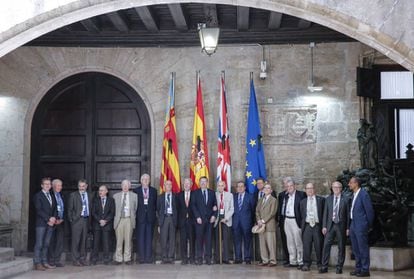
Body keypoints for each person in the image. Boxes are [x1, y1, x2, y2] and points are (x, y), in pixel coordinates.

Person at [320, 181, 350, 274]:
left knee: (341, 247)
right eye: (334, 187)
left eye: (338, 187)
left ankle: (339, 267)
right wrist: (324, 226)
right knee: (326, 246)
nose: (336, 189)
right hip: (330, 225)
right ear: (332, 188)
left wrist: (348, 228)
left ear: (341, 189)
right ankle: (324, 266)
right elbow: (325, 213)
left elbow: (348, 215)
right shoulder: (328, 199)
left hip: (341, 226)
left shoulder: (346, 199)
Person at [349, 177, 374, 277]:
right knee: (355, 248)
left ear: (356, 184)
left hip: (361, 225)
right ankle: (358, 268)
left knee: (363, 247)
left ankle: (365, 269)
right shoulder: (354, 194)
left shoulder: (364, 194)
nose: (349, 184)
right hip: (353, 224)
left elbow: (369, 211)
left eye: (351, 183)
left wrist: (368, 224)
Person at [191, 176, 217, 265]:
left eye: (204, 181)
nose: (203, 183)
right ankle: (199, 258)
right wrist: (197, 217)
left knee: (209, 240)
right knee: (199, 240)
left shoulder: (212, 193)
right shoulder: (195, 193)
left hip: (209, 221)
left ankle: (208, 258)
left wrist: (214, 216)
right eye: (201, 181)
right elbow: (193, 206)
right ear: (199, 183)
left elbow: (215, 206)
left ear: (207, 183)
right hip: (199, 221)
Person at [33, 177, 57, 271]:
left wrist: (54, 218)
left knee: (46, 243)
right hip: (41, 224)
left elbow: (55, 208)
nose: (48, 185)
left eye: (49, 184)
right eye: (46, 184)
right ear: (42, 185)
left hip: (50, 224)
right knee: (39, 243)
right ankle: (37, 263)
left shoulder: (52, 195)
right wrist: (48, 219)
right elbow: (39, 210)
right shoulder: (38, 196)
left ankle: (44, 262)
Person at [299, 183, 325, 271]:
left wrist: (324, 226)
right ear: (305, 190)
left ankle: (320, 264)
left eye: (311, 188)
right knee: (306, 246)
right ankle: (306, 263)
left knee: (319, 246)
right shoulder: (302, 202)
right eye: (308, 188)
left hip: (317, 226)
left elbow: (324, 214)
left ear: (315, 189)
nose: (310, 190)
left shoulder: (321, 200)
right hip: (307, 226)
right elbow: (301, 215)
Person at [68, 179, 92, 266]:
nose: (81, 188)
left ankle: (82, 258)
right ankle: (75, 259)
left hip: (86, 220)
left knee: (84, 241)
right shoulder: (73, 195)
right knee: (76, 241)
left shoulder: (89, 195)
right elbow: (70, 209)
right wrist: (72, 220)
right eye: (80, 186)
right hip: (77, 221)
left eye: (83, 186)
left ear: (86, 186)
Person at [113, 179, 138, 265]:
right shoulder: (115, 196)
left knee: (128, 240)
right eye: (123, 185)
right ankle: (118, 258)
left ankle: (127, 258)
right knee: (119, 240)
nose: (125, 186)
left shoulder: (134, 196)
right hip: (119, 220)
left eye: (127, 185)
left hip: (128, 219)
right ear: (121, 186)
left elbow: (136, 208)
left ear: (130, 186)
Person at [134, 173, 157, 263]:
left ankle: (148, 257)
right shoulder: (136, 191)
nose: (146, 181)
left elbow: (155, 205)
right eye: (144, 179)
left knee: (149, 237)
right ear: (141, 181)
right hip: (140, 218)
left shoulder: (154, 191)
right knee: (140, 238)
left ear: (149, 181)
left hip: (150, 218)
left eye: (147, 179)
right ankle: (141, 258)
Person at [283, 179, 306, 269]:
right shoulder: (285, 196)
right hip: (287, 220)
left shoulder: (301, 194)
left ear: (294, 186)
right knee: (290, 242)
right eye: (287, 186)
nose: (289, 188)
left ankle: (300, 261)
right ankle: (293, 261)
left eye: (291, 186)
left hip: (296, 221)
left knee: (298, 242)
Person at [232, 181, 255, 264]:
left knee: (247, 241)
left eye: (242, 186)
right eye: (238, 186)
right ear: (236, 188)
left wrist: (251, 222)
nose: (240, 188)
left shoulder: (250, 197)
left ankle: (247, 258)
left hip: (247, 223)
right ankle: (238, 258)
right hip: (236, 222)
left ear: (245, 187)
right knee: (236, 241)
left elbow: (253, 211)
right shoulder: (233, 197)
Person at [91, 185, 115, 265]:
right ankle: (94, 258)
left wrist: (106, 220)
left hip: (107, 225)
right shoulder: (95, 200)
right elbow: (93, 212)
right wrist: (99, 220)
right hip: (97, 225)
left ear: (106, 191)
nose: (100, 192)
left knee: (106, 243)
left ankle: (106, 259)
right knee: (96, 243)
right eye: (99, 190)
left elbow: (112, 213)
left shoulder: (111, 200)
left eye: (102, 190)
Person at [253, 177, 276, 262]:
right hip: (260, 225)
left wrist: (262, 221)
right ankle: (265, 260)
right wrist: (258, 220)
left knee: (271, 244)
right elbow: (257, 211)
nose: (266, 189)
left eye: (268, 188)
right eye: (265, 188)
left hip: (269, 225)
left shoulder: (273, 200)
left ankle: (273, 260)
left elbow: (272, 213)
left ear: (271, 190)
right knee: (262, 244)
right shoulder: (260, 200)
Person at [157, 180, 177, 264]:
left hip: (172, 219)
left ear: (172, 186)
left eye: (170, 184)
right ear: (164, 186)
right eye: (167, 184)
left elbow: (177, 209)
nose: (168, 186)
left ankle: (171, 257)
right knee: (163, 239)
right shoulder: (160, 197)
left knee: (172, 239)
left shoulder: (176, 197)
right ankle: (164, 257)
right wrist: (159, 223)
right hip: (164, 219)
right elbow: (158, 210)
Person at [214, 180, 234, 264]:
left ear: (224, 186)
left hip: (226, 219)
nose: (220, 187)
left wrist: (226, 218)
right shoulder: (214, 195)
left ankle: (226, 258)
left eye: (222, 185)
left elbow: (232, 208)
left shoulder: (230, 195)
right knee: (217, 240)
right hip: (217, 218)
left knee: (226, 239)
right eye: (219, 185)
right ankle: (218, 258)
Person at [176, 178, 195, 265]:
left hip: (192, 222)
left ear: (191, 185)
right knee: (183, 241)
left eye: (188, 183)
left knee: (192, 240)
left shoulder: (195, 194)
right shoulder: (179, 195)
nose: (186, 185)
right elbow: (177, 209)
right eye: (185, 183)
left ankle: (192, 258)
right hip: (182, 222)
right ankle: (184, 259)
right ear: (183, 185)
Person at [48, 179, 65, 267]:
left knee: (59, 241)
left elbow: (64, 208)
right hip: (52, 221)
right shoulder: (50, 195)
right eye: (58, 185)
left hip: (61, 222)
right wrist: (54, 219)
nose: (60, 187)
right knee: (51, 241)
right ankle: (51, 260)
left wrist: (62, 219)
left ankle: (57, 259)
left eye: (61, 186)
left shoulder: (62, 195)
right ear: (53, 186)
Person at [276, 177, 292, 266]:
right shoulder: (281, 195)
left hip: (292, 219)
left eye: (288, 183)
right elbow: (279, 207)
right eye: (285, 184)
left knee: (292, 240)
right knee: (284, 240)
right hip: (283, 220)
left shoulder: (298, 194)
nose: (286, 185)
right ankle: (287, 258)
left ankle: (294, 259)